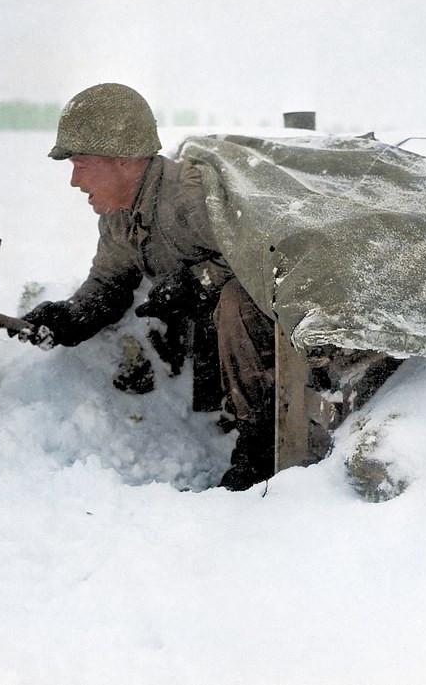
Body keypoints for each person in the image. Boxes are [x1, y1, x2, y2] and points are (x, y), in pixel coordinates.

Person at [18, 82, 276, 491]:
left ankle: (264, 449)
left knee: (234, 300)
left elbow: (263, 258)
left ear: (124, 161)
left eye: (82, 165)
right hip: (218, 345)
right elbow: (110, 282)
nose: (73, 181)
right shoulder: (121, 217)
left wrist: (197, 282)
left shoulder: (193, 197)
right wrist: (70, 318)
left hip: (273, 326)